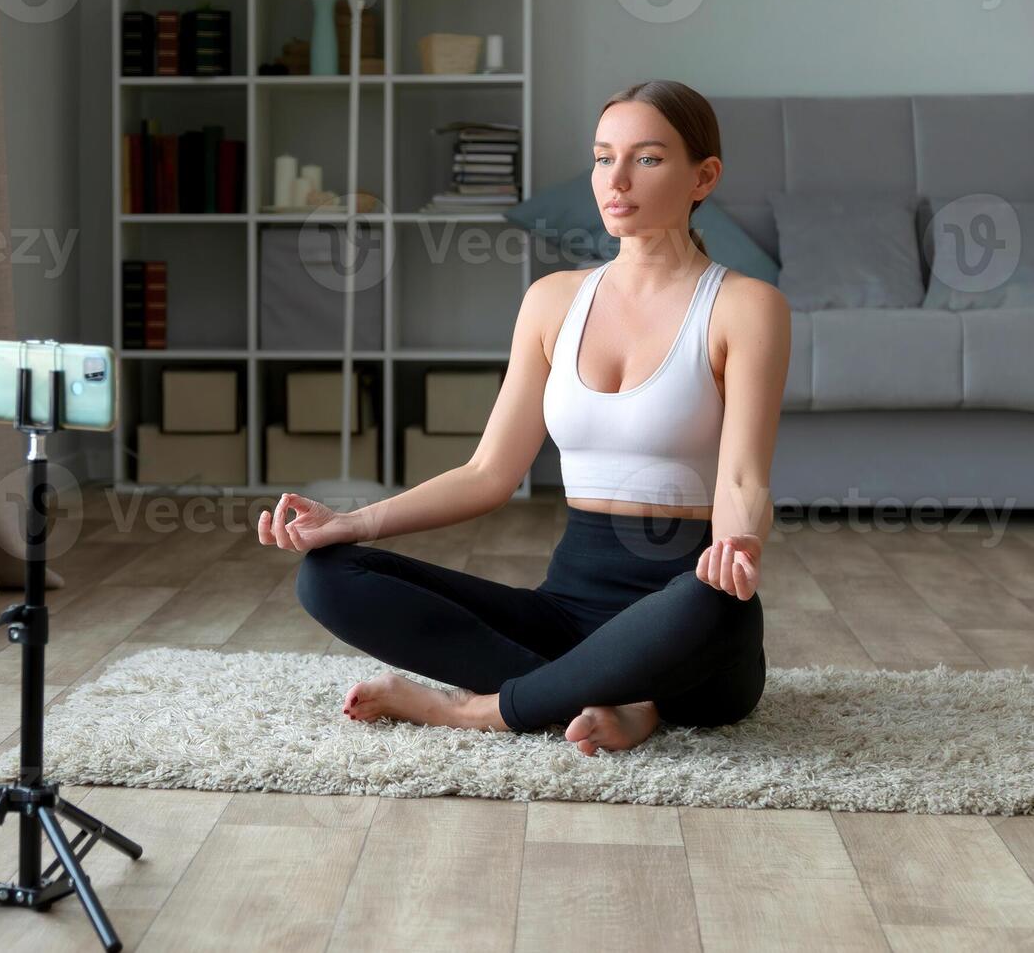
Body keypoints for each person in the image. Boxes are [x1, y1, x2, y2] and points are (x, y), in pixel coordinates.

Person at [254, 79, 792, 756]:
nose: (615, 179)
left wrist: (739, 545)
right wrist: (349, 522)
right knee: (329, 577)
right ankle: (613, 700)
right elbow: (488, 473)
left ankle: (474, 713)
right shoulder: (552, 301)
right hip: (565, 615)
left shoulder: (747, 306)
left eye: (647, 159)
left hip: (689, 624)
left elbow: (744, 480)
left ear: (702, 176)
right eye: (603, 157)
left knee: (710, 603)